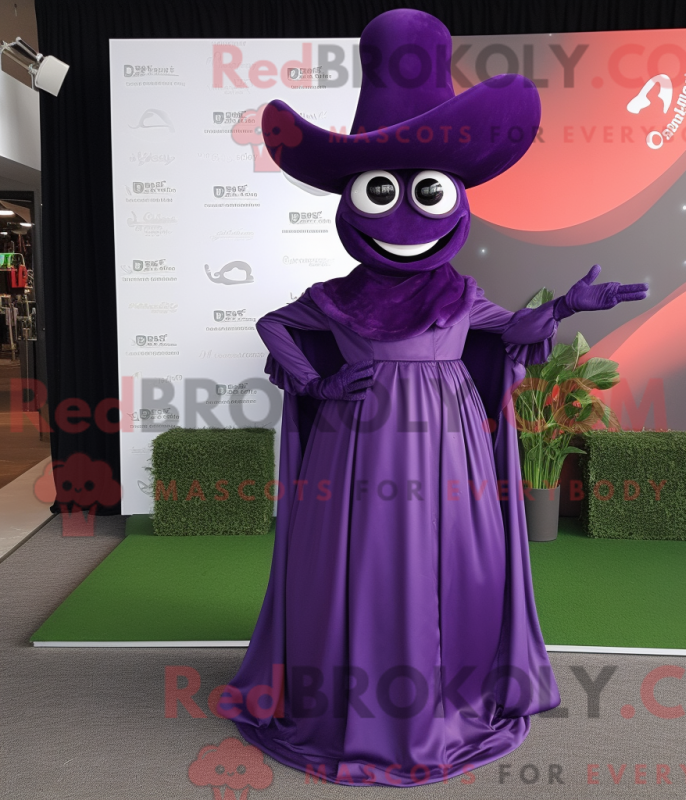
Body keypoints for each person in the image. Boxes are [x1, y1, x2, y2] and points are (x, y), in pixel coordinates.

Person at [220, 8, 647, 787]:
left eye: (427, 191)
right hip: (355, 445)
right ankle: (355, 695)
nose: (405, 215)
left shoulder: (460, 292)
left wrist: (563, 307)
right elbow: (273, 325)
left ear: (454, 198)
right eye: (381, 191)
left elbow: (513, 330)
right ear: (352, 200)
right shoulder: (334, 295)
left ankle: (441, 690)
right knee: (356, 565)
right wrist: (316, 381)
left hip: (450, 449)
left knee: (450, 562)